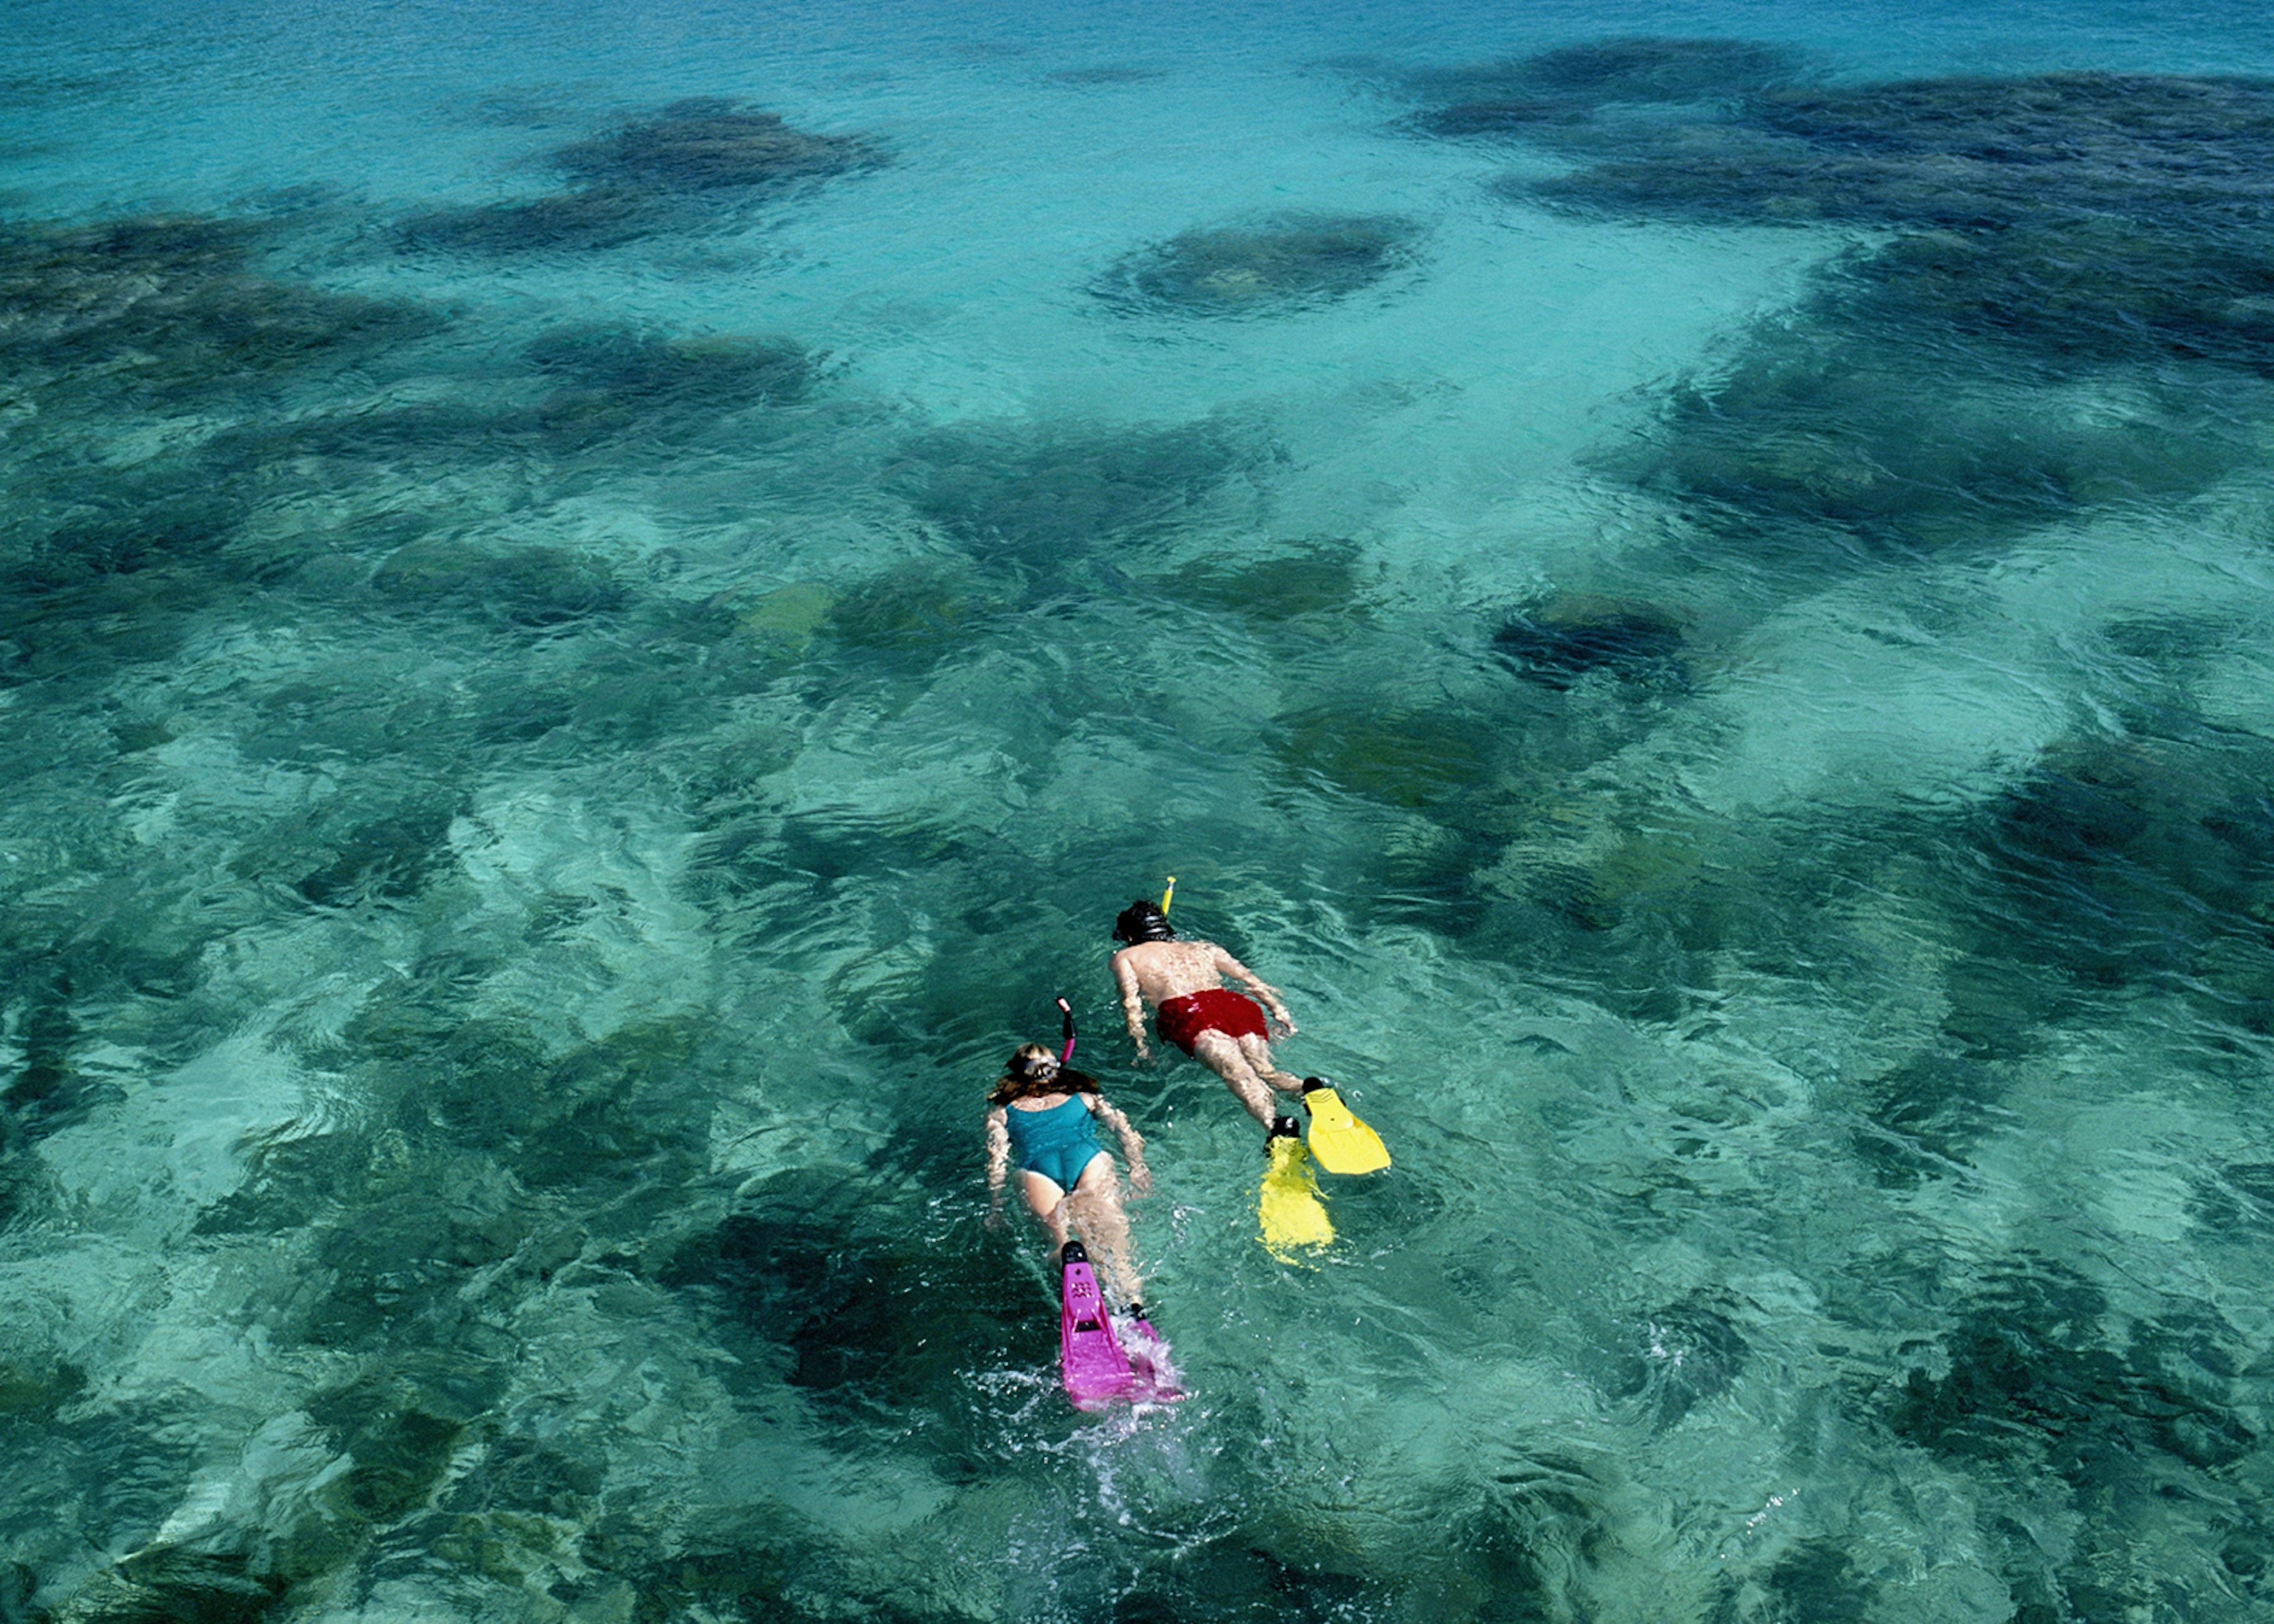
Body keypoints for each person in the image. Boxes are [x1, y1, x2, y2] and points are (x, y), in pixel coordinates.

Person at [1109, 898, 1303, 1131]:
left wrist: (1139, 1040)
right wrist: (1278, 1010)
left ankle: (1276, 1129)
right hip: (1234, 1005)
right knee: (1266, 1071)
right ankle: (1306, 1089)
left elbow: (1131, 1002)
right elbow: (1250, 980)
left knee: (1239, 1074)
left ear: (1130, 937)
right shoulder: (1204, 947)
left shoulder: (1126, 957)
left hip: (1189, 1013)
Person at [984, 1040, 1152, 1310]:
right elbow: (1125, 1131)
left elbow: (997, 1159)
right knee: (1111, 1235)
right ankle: (1132, 1302)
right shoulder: (1085, 1096)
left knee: (1059, 1240)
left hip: (1037, 1171)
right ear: (1057, 1068)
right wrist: (1138, 1167)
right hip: (1088, 1161)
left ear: (1016, 1073)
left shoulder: (1002, 1109)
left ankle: (1081, 1299)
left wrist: (996, 1206)